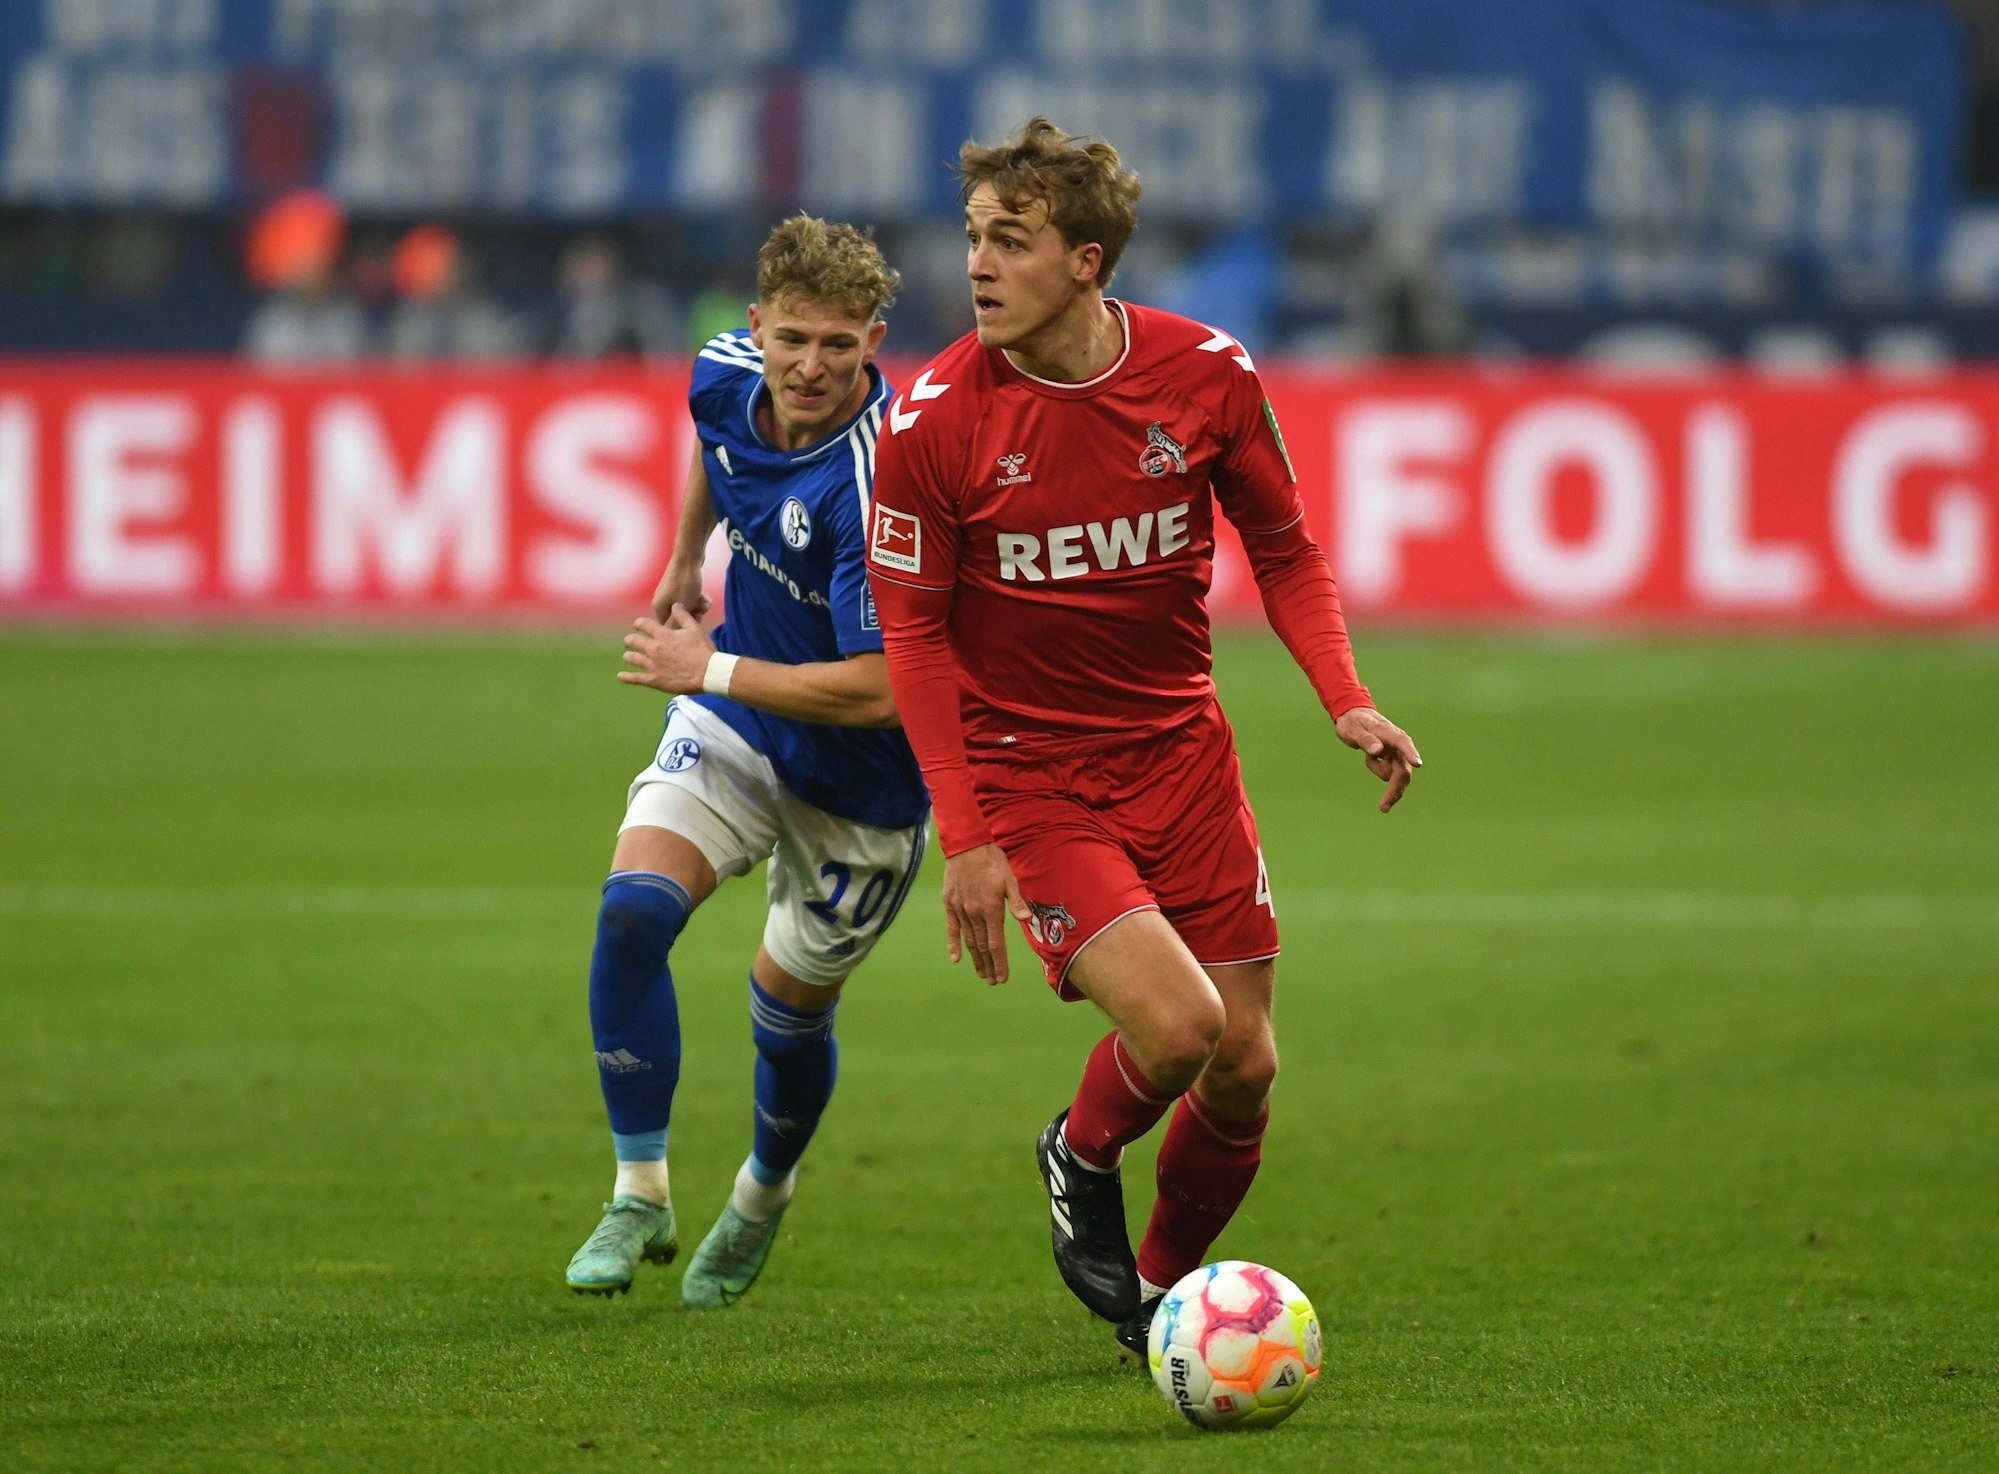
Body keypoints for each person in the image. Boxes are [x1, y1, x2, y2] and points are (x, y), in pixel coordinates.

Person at [864, 119, 1422, 1361]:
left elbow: (1284, 548)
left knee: (1245, 1068)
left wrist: (1344, 696)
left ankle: (1161, 1304)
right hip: (1034, 776)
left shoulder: (1206, 375)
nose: (978, 266)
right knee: (1179, 1030)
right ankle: (1079, 1146)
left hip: (1182, 757)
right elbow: (912, 636)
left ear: (1087, 260)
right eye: (972, 240)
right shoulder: (935, 423)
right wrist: (966, 837)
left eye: (1010, 241)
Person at [565, 215, 927, 1308]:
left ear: (873, 340)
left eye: (840, 346)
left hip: (862, 785)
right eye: (794, 341)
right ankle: (639, 1190)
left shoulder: (878, 484)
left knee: (786, 1013)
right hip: (736, 724)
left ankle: (763, 1191)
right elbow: (714, 442)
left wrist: (706, 666)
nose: (813, 368)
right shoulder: (723, 373)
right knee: (632, 911)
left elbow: (881, 689)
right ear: (756, 327)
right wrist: (686, 555)